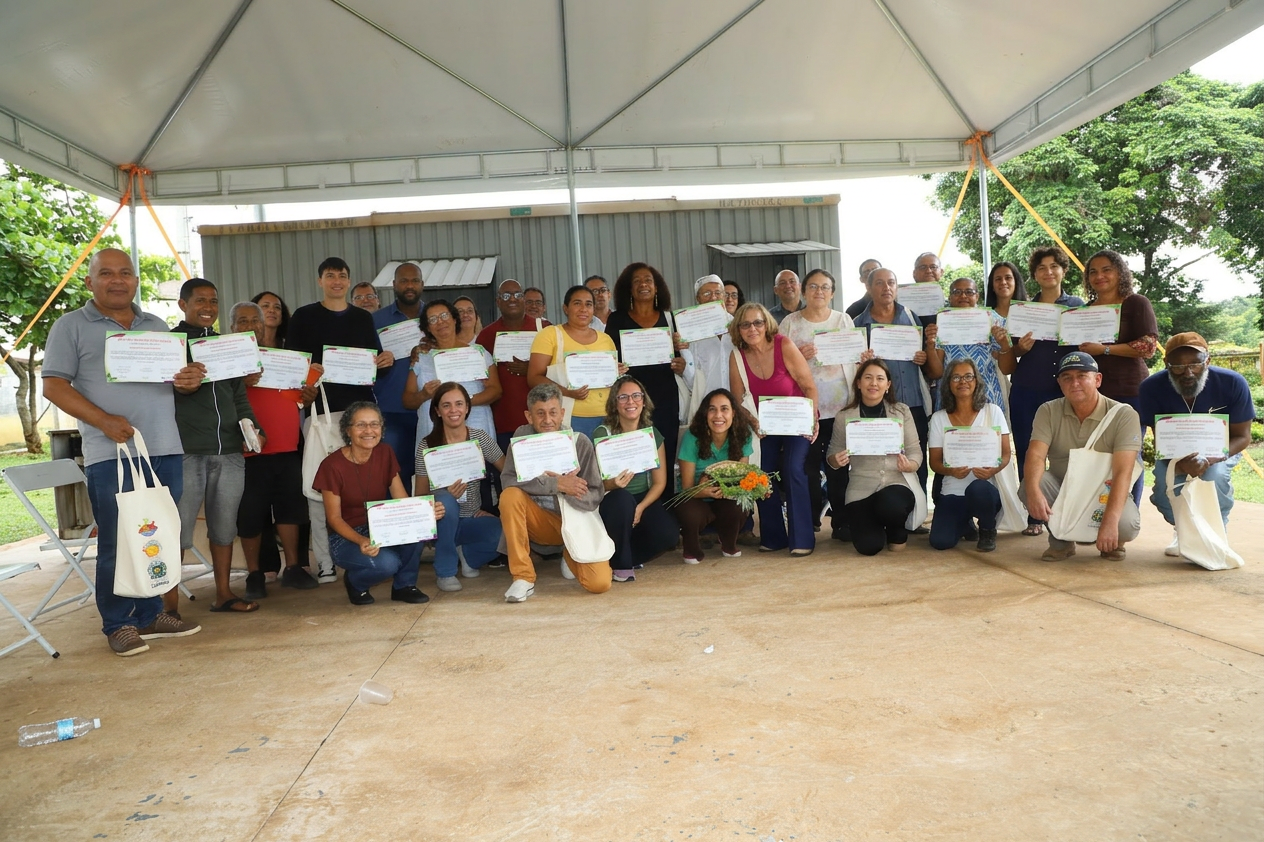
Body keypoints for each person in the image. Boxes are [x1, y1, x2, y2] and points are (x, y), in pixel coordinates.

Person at [41, 248, 204, 655]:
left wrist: (187, 381)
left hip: (164, 447)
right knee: (117, 539)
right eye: (107, 273)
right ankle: (118, 622)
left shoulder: (157, 325)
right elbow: (54, 386)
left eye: (126, 273)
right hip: (110, 452)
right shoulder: (70, 326)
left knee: (157, 535)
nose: (118, 280)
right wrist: (103, 421)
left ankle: (149, 614)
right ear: (89, 281)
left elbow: (174, 382)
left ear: (135, 281)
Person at [286, 257, 393, 583]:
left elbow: (374, 362)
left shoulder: (362, 317)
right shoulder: (304, 317)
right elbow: (294, 365)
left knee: (371, 487)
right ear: (320, 280)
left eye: (342, 276)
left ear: (348, 281)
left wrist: (385, 360)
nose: (336, 281)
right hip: (321, 416)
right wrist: (311, 378)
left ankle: (374, 547)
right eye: (330, 276)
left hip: (360, 414)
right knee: (320, 493)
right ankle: (326, 564)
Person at [169, 278, 262, 615]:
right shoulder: (170, 345)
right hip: (185, 452)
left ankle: (223, 593)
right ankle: (169, 606)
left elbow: (239, 397)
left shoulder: (228, 345)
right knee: (177, 529)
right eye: (200, 301)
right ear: (183, 305)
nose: (208, 307)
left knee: (225, 527)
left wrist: (254, 428)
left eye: (213, 301)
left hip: (230, 452)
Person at [229, 302, 320, 598]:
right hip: (247, 453)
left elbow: (298, 400)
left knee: (291, 510)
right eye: (243, 320)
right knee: (250, 514)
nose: (250, 325)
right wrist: (237, 380)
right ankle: (254, 573)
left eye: (254, 320)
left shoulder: (284, 359)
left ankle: (293, 567)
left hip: (287, 447)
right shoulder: (225, 363)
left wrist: (308, 396)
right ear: (232, 327)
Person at [1138, 332, 1256, 554]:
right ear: (1166, 364)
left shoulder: (1232, 383)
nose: (1188, 372)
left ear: (1207, 361)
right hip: (1175, 454)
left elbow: (1243, 436)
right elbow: (1161, 437)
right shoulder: (1151, 387)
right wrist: (1180, 462)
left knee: (1215, 476)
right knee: (1164, 488)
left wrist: (1211, 459)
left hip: (1223, 450)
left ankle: (1217, 532)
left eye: (1195, 364)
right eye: (1178, 366)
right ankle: (1184, 530)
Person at [1022, 352, 1143, 562]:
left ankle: (1113, 542)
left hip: (1104, 493)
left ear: (1098, 380)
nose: (1074, 382)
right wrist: (1033, 492)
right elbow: (1036, 455)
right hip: (1064, 489)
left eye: (1082, 375)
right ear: (1059, 383)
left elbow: (1124, 471)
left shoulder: (1124, 414)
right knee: (1030, 485)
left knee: (1126, 526)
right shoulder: (1048, 410)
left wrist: (1110, 521)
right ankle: (1062, 541)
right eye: (1067, 377)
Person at [312, 402, 434, 605]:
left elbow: (401, 500)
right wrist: (361, 540)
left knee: (418, 529)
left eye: (374, 424)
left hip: (380, 526)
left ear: (381, 429)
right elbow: (334, 518)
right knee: (388, 564)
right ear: (347, 430)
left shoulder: (385, 453)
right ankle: (355, 583)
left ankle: (404, 586)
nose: (369, 430)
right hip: (346, 536)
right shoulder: (332, 465)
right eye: (361, 425)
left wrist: (424, 513)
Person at [499, 383, 613, 602]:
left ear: (562, 413)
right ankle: (523, 577)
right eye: (539, 413)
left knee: (599, 584)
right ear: (528, 416)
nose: (547, 420)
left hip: (574, 522)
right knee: (510, 496)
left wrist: (572, 489)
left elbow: (596, 494)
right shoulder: (521, 440)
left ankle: (569, 552)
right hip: (539, 522)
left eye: (553, 412)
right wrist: (556, 484)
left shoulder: (580, 442)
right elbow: (508, 480)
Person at [729, 302, 819, 555]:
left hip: (797, 419)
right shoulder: (737, 355)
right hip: (763, 424)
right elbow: (737, 400)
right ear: (738, 329)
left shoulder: (784, 345)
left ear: (767, 323)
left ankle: (802, 539)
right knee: (761, 472)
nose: (752, 328)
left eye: (757, 322)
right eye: (745, 324)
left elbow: (809, 387)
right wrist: (752, 421)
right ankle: (773, 536)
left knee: (792, 468)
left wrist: (812, 418)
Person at [1009, 246, 1084, 537]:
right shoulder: (1024, 309)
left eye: (1054, 266)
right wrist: (1019, 348)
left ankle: (1070, 511)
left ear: (1063, 270)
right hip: (1028, 390)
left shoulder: (1077, 305)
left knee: (1069, 454)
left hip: (1067, 391)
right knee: (1029, 450)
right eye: (1041, 267)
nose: (1048, 272)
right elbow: (1011, 354)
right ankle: (1034, 515)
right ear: (1034, 274)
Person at [777, 268, 857, 539]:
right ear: (804, 291)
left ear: (832, 293)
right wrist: (797, 355)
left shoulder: (843, 319)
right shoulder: (790, 323)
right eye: (813, 286)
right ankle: (809, 518)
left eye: (825, 287)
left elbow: (854, 357)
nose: (819, 292)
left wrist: (862, 355)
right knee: (806, 467)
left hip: (840, 407)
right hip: (805, 409)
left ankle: (842, 523)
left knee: (839, 467)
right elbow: (777, 363)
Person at [1078, 249, 1158, 506]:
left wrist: (1105, 349)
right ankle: (1097, 517)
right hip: (1093, 395)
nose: (1099, 276)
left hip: (1129, 392)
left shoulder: (1136, 303)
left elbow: (1148, 347)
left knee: (1128, 457)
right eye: (1093, 272)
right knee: (1096, 456)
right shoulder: (1085, 310)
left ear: (1120, 272)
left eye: (1106, 270)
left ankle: (1126, 519)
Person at [413, 382, 506, 591]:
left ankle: (467, 556)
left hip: (471, 518)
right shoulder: (426, 446)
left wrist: (502, 511)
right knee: (446, 500)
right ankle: (445, 571)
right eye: (446, 405)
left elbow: (508, 469)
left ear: (467, 408)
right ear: (437, 411)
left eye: (458, 404)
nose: (453, 410)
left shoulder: (479, 437)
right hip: (441, 522)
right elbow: (419, 496)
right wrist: (445, 494)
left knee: (507, 530)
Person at [825, 359, 923, 556]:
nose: (873, 383)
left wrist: (909, 465)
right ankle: (877, 525)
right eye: (868, 378)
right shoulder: (844, 416)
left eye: (880, 379)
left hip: (896, 481)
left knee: (891, 505)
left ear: (887, 385)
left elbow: (915, 452)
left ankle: (896, 529)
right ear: (858, 383)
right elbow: (831, 455)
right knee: (868, 547)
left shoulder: (901, 411)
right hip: (861, 488)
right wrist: (837, 460)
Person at [852, 267, 933, 495]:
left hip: (913, 402)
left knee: (916, 458)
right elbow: (852, 367)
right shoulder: (858, 323)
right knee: (879, 459)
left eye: (891, 282)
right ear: (868, 288)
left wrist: (923, 357)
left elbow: (925, 359)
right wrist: (860, 361)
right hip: (877, 404)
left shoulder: (910, 316)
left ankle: (916, 517)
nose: (886, 288)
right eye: (879, 283)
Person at [593, 376, 679, 581]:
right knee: (622, 500)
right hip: (612, 496)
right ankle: (620, 566)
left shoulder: (652, 434)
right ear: (615, 403)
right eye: (623, 397)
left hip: (643, 497)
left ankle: (627, 556)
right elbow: (596, 483)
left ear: (644, 401)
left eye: (635, 396)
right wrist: (612, 484)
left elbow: (660, 482)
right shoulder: (602, 433)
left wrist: (641, 508)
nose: (630, 402)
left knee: (669, 535)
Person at [605, 262, 686, 467]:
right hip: (630, 399)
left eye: (648, 280)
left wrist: (681, 363)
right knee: (633, 453)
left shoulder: (670, 318)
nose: (643, 284)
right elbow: (608, 358)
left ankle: (665, 498)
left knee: (665, 454)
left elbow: (680, 355)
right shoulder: (616, 319)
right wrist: (614, 367)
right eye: (637, 281)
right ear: (629, 289)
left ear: (657, 287)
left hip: (666, 396)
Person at [927, 359, 1011, 552]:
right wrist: (951, 470)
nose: (962, 381)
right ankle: (964, 523)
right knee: (940, 542)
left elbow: (1006, 454)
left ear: (976, 381)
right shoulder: (939, 418)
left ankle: (987, 529)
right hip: (952, 491)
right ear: (948, 383)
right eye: (956, 377)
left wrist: (994, 469)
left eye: (968, 376)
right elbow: (935, 463)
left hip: (984, 489)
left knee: (979, 489)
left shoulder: (993, 411)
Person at [527, 285, 625, 439]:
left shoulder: (605, 339)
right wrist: (566, 392)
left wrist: (615, 372)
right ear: (565, 308)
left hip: (608, 416)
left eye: (588, 304)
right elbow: (533, 377)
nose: (583, 309)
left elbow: (611, 380)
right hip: (571, 417)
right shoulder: (550, 335)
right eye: (577, 303)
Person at [404, 299, 501, 444]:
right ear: (428, 328)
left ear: (455, 319)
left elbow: (496, 391)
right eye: (433, 319)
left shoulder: (478, 353)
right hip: (434, 433)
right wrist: (423, 395)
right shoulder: (421, 357)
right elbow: (407, 400)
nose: (440, 322)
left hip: (475, 429)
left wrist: (462, 402)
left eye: (444, 316)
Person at [676, 389, 755, 564]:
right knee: (691, 513)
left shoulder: (744, 435)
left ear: (733, 412)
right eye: (712, 409)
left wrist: (755, 489)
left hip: (724, 494)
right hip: (695, 494)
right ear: (705, 413)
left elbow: (741, 478)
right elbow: (686, 488)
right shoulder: (693, 437)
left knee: (741, 504)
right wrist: (702, 491)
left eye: (724, 409)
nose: (718, 415)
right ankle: (691, 547)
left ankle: (728, 542)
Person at [477, 279, 549, 456]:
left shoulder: (545, 330)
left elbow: (559, 371)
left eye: (518, 295)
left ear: (524, 299)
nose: (512, 299)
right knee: (509, 478)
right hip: (504, 421)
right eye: (506, 295)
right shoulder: (486, 336)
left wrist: (533, 370)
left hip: (543, 418)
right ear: (498, 301)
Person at [924, 277, 1016, 414]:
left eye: (969, 292)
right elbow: (936, 373)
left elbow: (1008, 369)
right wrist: (930, 347)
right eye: (957, 292)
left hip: (988, 398)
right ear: (950, 297)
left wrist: (1004, 345)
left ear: (977, 296)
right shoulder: (942, 322)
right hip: (951, 399)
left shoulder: (994, 319)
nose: (963, 296)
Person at [372, 261, 426, 486]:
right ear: (394, 285)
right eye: (404, 281)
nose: (410, 285)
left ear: (422, 284)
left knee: (432, 471)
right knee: (393, 474)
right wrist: (378, 364)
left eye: (414, 280)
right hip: (391, 410)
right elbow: (365, 365)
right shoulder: (376, 320)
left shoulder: (435, 317)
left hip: (430, 409)